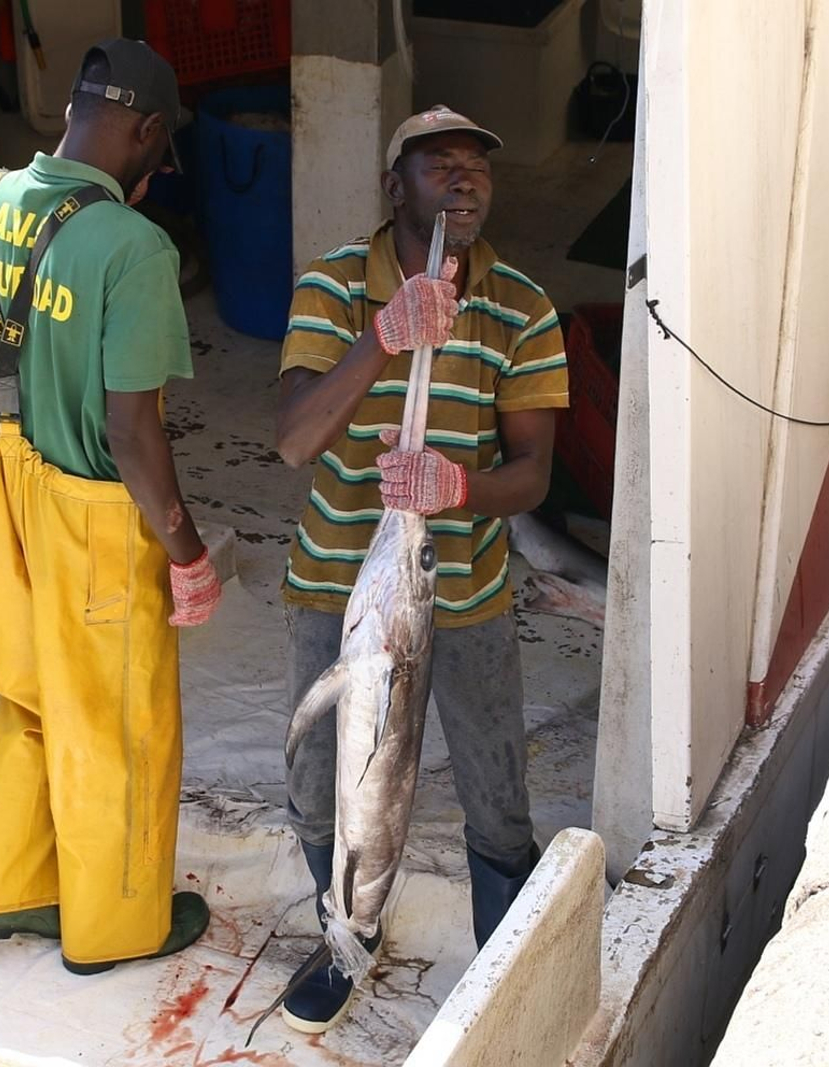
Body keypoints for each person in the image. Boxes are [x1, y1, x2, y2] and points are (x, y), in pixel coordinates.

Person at [272, 105, 570, 1031]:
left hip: (467, 591)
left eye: (478, 165)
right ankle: (343, 941)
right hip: (336, 585)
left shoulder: (520, 306)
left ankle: (504, 975)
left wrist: (457, 485)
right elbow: (292, 440)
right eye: (441, 165)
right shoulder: (331, 289)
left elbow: (531, 476)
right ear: (393, 185)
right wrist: (386, 336)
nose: (465, 180)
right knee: (326, 775)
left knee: (494, 787)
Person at [0, 38, 222, 976]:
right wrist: (186, 550)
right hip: (89, 518)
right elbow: (133, 429)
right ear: (148, 132)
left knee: (28, 698)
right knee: (115, 728)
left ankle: (10, 888)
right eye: (162, 147)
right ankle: (118, 926)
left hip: (4, 490)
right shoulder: (136, 250)